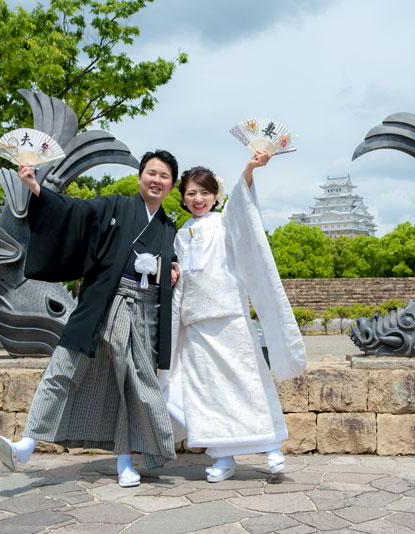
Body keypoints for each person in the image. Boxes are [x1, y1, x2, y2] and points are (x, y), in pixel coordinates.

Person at [0, 150, 181, 488]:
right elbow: (75, 211)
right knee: (62, 368)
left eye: (164, 176)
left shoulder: (169, 228)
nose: (156, 180)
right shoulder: (114, 206)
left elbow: (173, 267)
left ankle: (125, 462)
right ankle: (27, 443)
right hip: (100, 304)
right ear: (141, 176)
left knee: (127, 385)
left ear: (172, 185)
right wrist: (37, 188)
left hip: (141, 313)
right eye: (151, 173)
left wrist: (170, 269)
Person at [161, 150, 306, 482]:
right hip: (196, 321)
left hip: (230, 315)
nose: (198, 199)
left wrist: (250, 169)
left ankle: (271, 446)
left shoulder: (226, 222)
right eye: (191, 194)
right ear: (182, 199)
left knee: (249, 382)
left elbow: (243, 206)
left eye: (205, 193)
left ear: (216, 195)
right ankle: (222, 456)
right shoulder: (180, 235)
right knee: (207, 391)